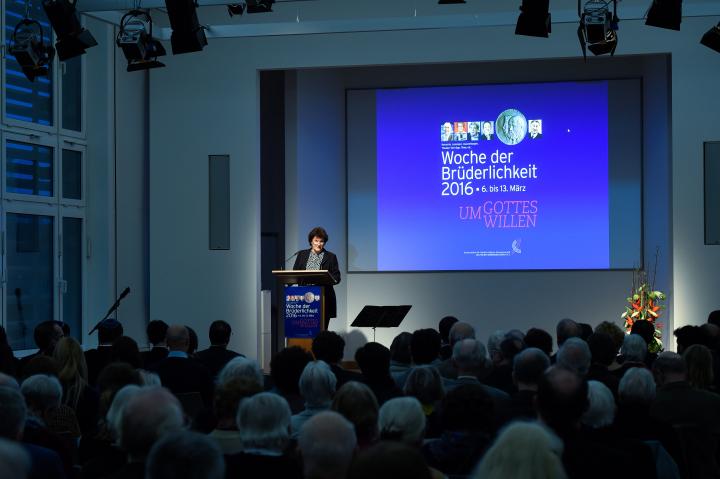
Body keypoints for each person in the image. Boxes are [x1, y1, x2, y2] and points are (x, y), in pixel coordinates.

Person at [292, 226, 341, 328]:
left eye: (321, 241)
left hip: (323, 298)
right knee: (304, 330)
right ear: (311, 241)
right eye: (316, 240)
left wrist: (328, 279)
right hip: (304, 298)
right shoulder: (302, 255)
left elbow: (337, 277)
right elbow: (295, 273)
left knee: (322, 330)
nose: (319, 244)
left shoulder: (331, 257)